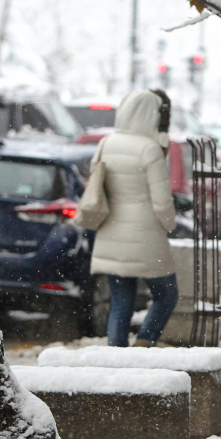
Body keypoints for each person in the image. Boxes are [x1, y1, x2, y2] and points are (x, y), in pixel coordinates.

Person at [89, 89, 179, 347]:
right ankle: (144, 344)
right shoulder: (149, 149)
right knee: (166, 295)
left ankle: (117, 359)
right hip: (145, 235)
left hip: (110, 231)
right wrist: (169, 225)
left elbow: (96, 185)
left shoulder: (106, 143)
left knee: (121, 303)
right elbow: (162, 202)